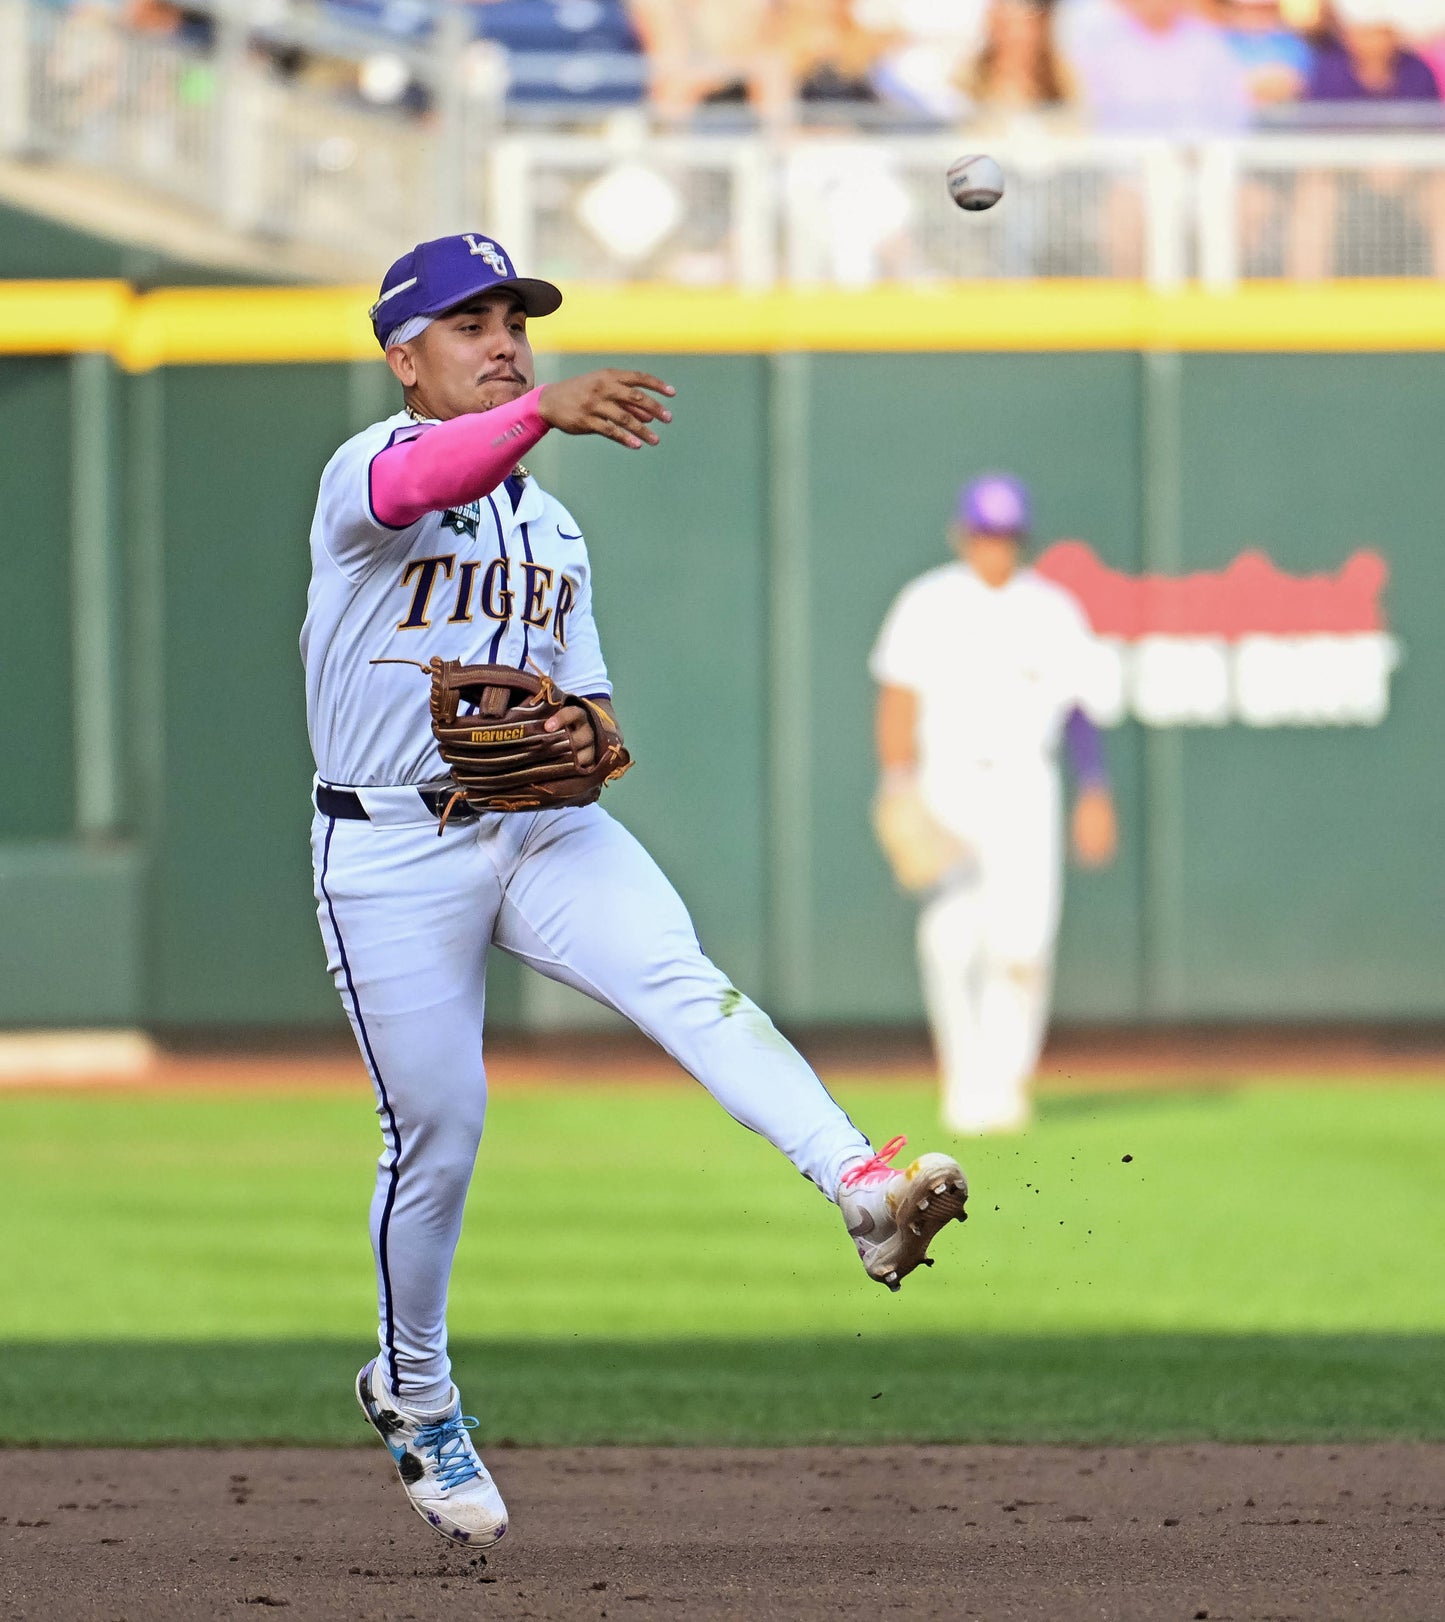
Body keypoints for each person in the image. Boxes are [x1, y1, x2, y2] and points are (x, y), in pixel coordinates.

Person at [300, 232, 969, 1548]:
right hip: (387, 849)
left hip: (542, 831)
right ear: (404, 359)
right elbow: (425, 477)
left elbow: (598, 715)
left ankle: (861, 1185)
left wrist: (586, 742)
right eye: (468, 324)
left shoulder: (553, 524)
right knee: (437, 1130)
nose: (503, 341)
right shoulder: (365, 469)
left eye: (515, 321)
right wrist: (541, 410)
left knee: (686, 981)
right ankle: (415, 1388)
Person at [870, 474, 1117, 1136]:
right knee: (951, 936)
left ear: (1021, 539)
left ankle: (1006, 1083)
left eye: (1005, 536)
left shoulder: (1052, 609)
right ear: (962, 535)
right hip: (947, 782)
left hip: (1025, 785)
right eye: (984, 534)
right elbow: (897, 697)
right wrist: (897, 785)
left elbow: (1078, 709)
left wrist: (1093, 789)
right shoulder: (926, 602)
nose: (994, 548)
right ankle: (964, 1076)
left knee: (1024, 941)